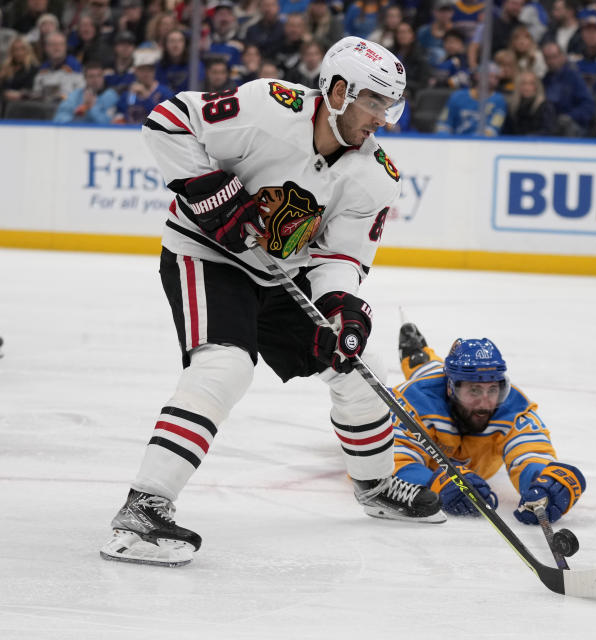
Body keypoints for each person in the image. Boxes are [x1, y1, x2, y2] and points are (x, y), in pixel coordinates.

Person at [100, 36, 443, 568]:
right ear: (337, 89)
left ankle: (375, 486)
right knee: (226, 365)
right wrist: (209, 191)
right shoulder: (267, 106)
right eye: (373, 102)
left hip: (283, 272)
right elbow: (168, 120)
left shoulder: (376, 175)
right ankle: (144, 506)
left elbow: (341, 257)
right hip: (206, 254)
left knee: (359, 368)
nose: (381, 118)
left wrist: (341, 309)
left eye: (388, 105)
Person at [390, 324, 586, 525]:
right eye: (474, 390)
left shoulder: (513, 408)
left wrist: (544, 481)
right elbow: (388, 462)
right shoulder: (413, 401)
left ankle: (420, 356)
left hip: (471, 463)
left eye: (493, 390)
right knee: (427, 371)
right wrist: (434, 483)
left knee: (434, 371)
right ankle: (417, 356)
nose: (485, 402)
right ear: (450, 388)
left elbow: (529, 451)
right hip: (430, 397)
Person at [53, 59, 119, 123]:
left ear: (103, 77)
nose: (95, 80)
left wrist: (91, 108)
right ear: (85, 78)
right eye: (91, 76)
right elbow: (59, 118)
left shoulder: (111, 96)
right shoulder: (75, 95)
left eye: (99, 76)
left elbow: (109, 123)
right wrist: (75, 118)